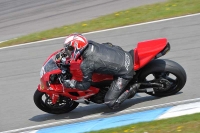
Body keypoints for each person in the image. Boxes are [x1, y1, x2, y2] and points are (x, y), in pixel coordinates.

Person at [56, 33, 140, 109]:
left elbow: (85, 86)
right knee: (107, 45)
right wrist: (64, 54)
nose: (69, 51)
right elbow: (107, 45)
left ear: (78, 47)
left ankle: (133, 87)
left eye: (70, 49)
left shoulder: (86, 64)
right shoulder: (90, 43)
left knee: (110, 102)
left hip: (125, 71)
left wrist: (72, 83)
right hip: (123, 54)